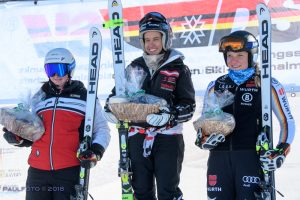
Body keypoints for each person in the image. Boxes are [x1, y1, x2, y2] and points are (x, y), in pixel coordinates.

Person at [104, 12, 195, 200]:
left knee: (167, 191)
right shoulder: (133, 67)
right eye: (147, 39)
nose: (151, 44)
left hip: (168, 139)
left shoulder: (177, 68)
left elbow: (189, 106)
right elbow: (116, 96)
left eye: (156, 38)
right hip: (137, 137)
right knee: (141, 191)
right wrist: (110, 109)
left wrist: (169, 115)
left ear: (166, 38)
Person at [195, 30, 295, 199]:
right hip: (218, 160)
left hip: (250, 158)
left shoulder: (266, 83)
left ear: (252, 56)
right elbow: (205, 122)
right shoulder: (216, 85)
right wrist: (203, 139)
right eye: (229, 55)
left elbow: (286, 121)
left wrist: (281, 151)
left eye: (240, 55)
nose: (233, 61)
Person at [2, 48, 111, 200]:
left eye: (59, 70)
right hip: (37, 172)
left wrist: (96, 151)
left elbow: (101, 129)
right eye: (50, 70)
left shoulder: (85, 97)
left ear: (69, 69)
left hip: (68, 170)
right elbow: (33, 131)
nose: (55, 76)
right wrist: (19, 138)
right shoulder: (39, 97)